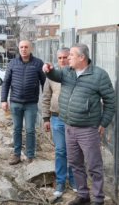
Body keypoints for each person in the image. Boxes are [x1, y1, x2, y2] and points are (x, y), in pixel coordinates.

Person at [43, 43, 115, 205]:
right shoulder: (67, 71)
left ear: (82, 57)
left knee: (94, 165)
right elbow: (54, 75)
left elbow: (111, 102)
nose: (67, 58)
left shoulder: (99, 75)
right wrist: (49, 69)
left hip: (88, 128)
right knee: (75, 163)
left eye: (71, 56)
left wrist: (104, 122)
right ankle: (83, 195)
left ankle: (98, 198)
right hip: (69, 126)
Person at [1, 40, 45, 165]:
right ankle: (16, 154)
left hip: (31, 103)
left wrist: (45, 101)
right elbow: (6, 83)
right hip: (15, 102)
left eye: (26, 47)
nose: (23, 49)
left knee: (30, 129)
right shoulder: (13, 63)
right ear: (18, 49)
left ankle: (30, 155)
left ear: (31, 48)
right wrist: (4, 100)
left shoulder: (38, 63)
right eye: (21, 47)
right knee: (16, 129)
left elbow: (44, 83)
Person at [42, 47, 77, 197]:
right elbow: (46, 97)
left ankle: (75, 180)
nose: (62, 60)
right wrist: (46, 118)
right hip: (57, 118)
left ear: (70, 57)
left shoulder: (76, 74)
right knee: (60, 151)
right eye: (60, 58)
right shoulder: (51, 75)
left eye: (65, 57)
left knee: (74, 152)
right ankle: (61, 181)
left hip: (74, 119)